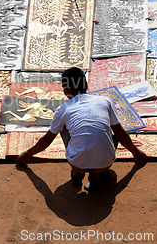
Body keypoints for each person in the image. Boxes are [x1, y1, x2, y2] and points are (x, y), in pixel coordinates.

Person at [16, 67, 148, 190]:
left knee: (62, 127)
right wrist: (137, 153)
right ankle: (96, 175)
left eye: (64, 87)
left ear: (70, 89)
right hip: (105, 162)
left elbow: (47, 140)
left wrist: (27, 155)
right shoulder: (105, 101)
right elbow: (121, 133)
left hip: (77, 162)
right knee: (115, 132)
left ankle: (77, 173)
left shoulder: (63, 108)